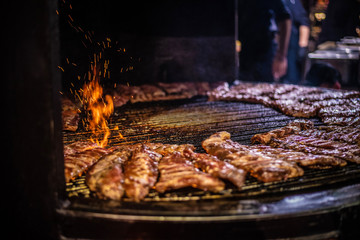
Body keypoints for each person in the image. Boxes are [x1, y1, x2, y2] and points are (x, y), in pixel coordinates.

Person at [237, 0, 292, 82]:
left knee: (266, 85)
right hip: (245, 50)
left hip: (265, 48)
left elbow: (285, 18)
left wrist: (281, 56)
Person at [281, 0, 310, 84]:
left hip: (291, 48)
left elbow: (304, 23)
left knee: (291, 78)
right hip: (278, 48)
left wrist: (302, 46)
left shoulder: (292, 2)